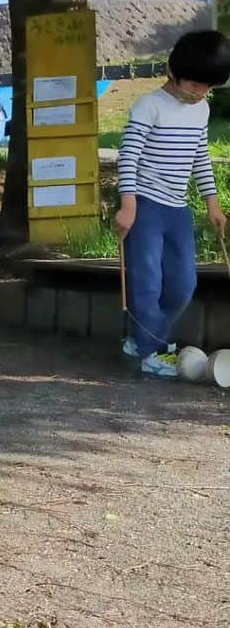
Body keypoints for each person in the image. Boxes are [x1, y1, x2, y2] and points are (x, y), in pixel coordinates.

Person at [115, 29, 230, 377]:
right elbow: (128, 157)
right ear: (172, 71)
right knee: (147, 280)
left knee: (183, 285)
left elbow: (200, 158)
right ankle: (152, 352)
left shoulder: (202, 111)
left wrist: (212, 203)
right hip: (146, 206)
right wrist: (128, 204)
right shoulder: (148, 106)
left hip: (178, 208)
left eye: (208, 88)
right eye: (195, 85)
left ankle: (143, 337)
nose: (200, 94)